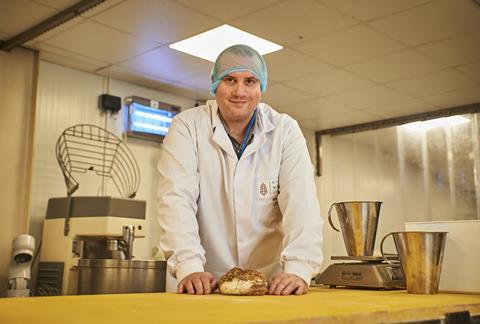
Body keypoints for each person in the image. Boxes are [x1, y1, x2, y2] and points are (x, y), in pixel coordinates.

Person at [157, 44, 323, 296]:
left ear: (261, 87)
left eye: (250, 81)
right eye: (230, 80)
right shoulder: (187, 127)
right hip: (204, 283)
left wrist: (299, 268)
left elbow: (302, 205)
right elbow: (176, 199)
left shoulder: (284, 130)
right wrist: (188, 265)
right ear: (215, 85)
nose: (239, 91)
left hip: (271, 285)